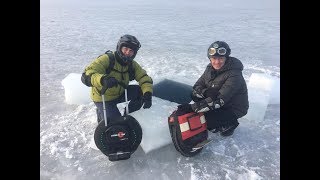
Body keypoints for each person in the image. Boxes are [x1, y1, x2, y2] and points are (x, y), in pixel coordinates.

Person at [178, 41, 249, 136]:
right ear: (210, 58)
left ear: (226, 58)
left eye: (221, 58)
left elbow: (220, 100)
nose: (217, 62)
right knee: (194, 95)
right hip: (217, 101)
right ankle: (214, 115)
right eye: (214, 58)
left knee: (206, 120)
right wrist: (206, 92)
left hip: (232, 107)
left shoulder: (234, 74)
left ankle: (231, 124)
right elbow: (196, 86)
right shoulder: (209, 68)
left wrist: (192, 108)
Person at [82, 34, 153, 123]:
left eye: (131, 51)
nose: (128, 52)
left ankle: (125, 114)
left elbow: (144, 78)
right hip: (104, 97)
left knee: (141, 92)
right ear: (119, 48)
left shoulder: (131, 64)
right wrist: (103, 79)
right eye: (125, 49)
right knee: (114, 123)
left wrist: (148, 94)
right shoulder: (107, 59)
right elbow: (88, 74)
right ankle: (102, 112)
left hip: (120, 93)